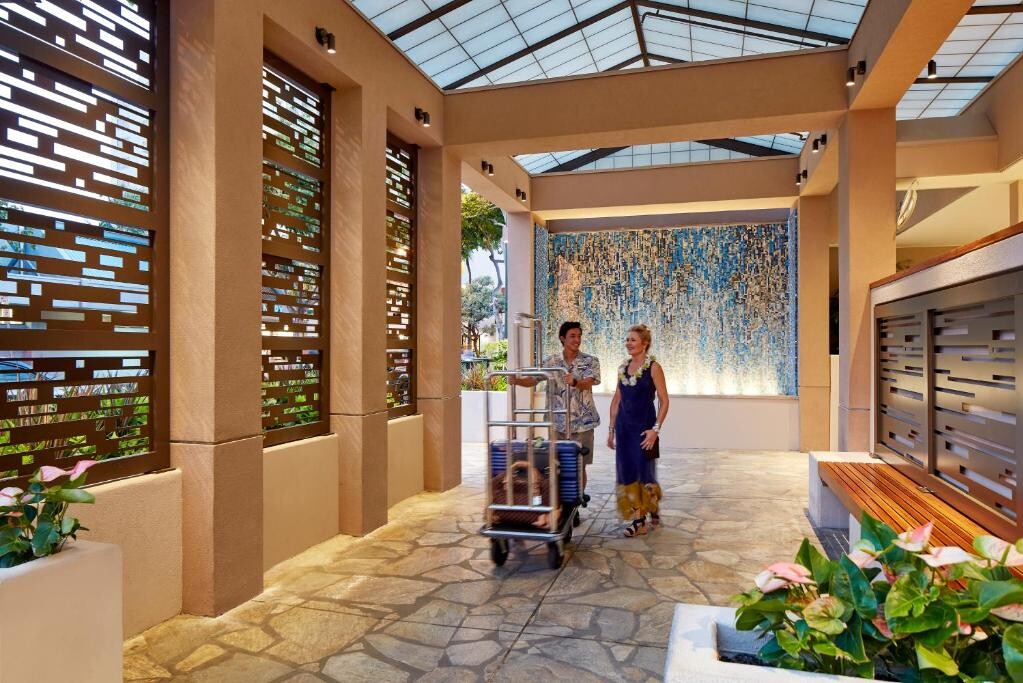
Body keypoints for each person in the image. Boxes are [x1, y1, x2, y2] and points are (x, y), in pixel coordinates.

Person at [509, 321, 600, 500]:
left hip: (583, 424)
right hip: (557, 423)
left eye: (579, 336)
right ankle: (559, 502)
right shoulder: (551, 361)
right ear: (562, 338)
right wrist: (517, 381)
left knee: (579, 465)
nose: (577, 339)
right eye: (572, 336)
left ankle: (576, 502)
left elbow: (589, 382)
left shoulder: (590, 361)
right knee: (556, 463)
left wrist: (575, 381)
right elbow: (534, 379)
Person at [607, 324, 669, 537]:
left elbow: (664, 400)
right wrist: (611, 430)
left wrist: (655, 430)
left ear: (645, 343)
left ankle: (644, 515)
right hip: (624, 430)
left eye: (633, 339)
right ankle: (640, 518)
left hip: (645, 431)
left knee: (644, 472)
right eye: (627, 339)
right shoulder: (622, 368)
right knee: (627, 472)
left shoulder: (654, 368)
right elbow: (617, 399)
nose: (628, 343)